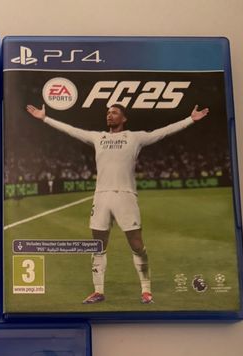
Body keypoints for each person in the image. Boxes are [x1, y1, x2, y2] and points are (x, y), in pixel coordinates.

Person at [26, 102, 209, 304]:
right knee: (98, 245)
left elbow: (163, 132)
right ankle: (98, 291)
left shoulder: (135, 137)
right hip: (101, 196)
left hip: (126, 195)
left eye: (114, 112)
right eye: (108, 113)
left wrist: (190, 120)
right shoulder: (98, 137)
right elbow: (71, 130)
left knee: (137, 244)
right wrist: (45, 118)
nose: (109, 115)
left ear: (124, 118)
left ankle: (146, 290)